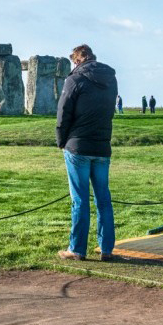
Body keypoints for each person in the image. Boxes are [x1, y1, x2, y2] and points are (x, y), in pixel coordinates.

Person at [56, 44, 118, 261]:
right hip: (102, 145)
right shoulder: (110, 79)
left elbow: (63, 112)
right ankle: (107, 248)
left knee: (80, 199)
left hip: (78, 146)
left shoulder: (74, 79)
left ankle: (77, 249)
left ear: (76, 60)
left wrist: (61, 140)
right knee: (103, 199)